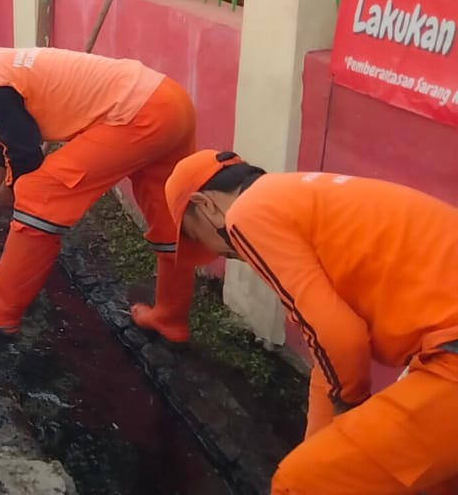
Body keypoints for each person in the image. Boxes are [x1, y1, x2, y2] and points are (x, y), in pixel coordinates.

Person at [164, 151, 458, 494]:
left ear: (205, 205)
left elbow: (339, 338)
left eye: (195, 234)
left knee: (301, 482)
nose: (216, 252)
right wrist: (322, 441)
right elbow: (327, 349)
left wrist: (348, 408)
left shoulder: (246, 215)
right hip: (442, 352)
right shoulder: (297, 198)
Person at [0, 37, 202, 342]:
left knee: (39, 191)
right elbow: (8, 137)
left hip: (138, 115)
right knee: (168, 218)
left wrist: (13, 191)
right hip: (169, 102)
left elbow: (26, 153)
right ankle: (170, 316)